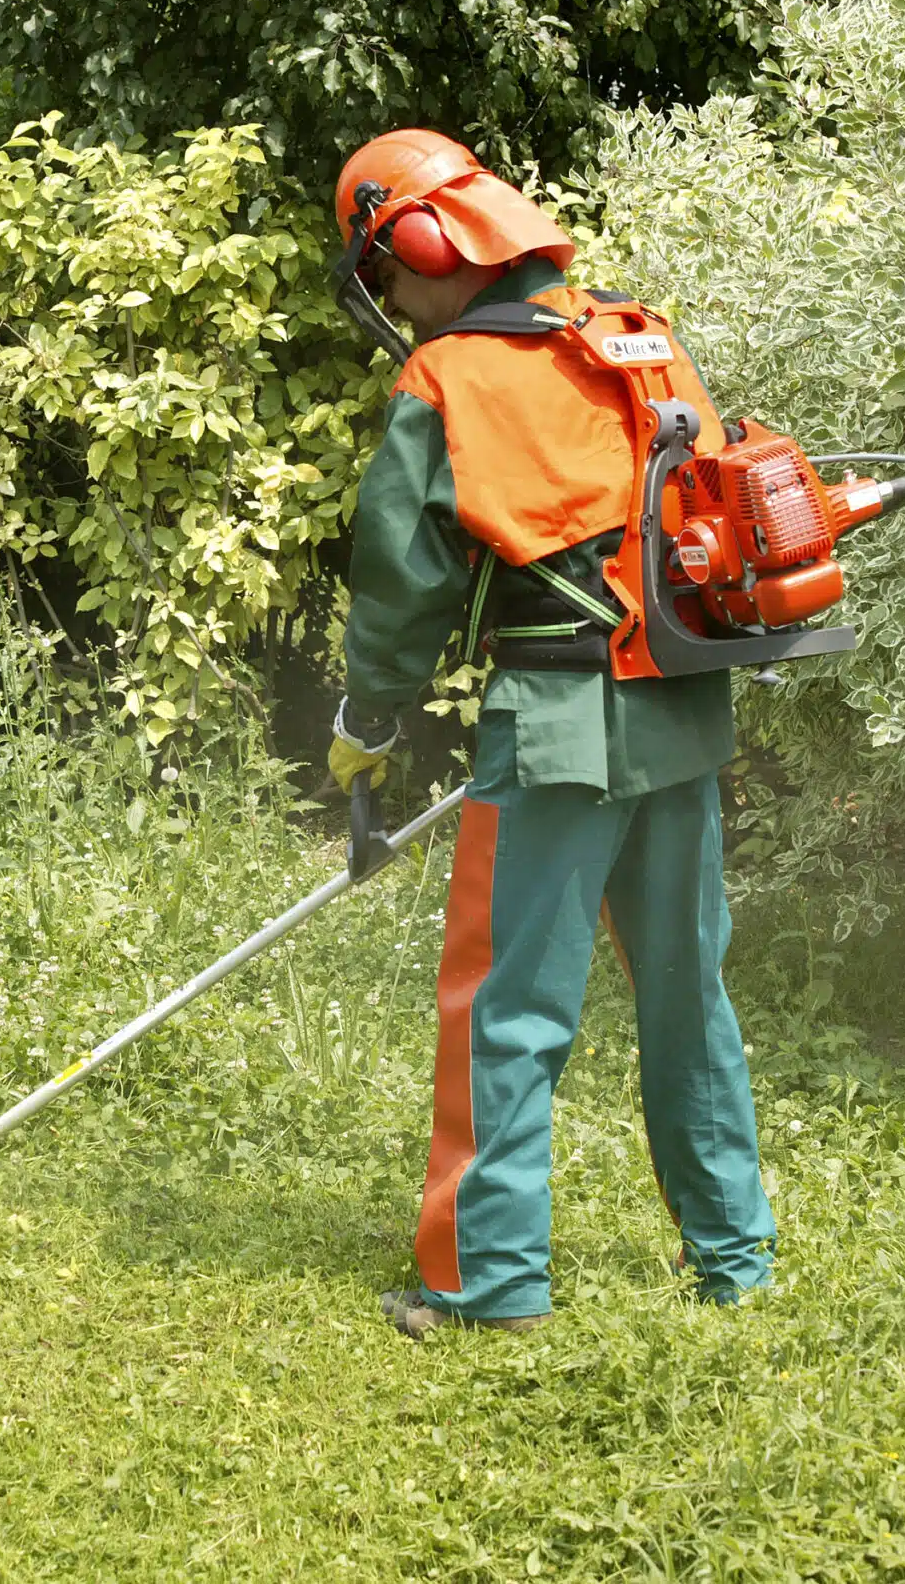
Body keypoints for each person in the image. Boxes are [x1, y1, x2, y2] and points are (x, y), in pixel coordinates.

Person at [322, 129, 775, 1336]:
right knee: (688, 996)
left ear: (421, 244)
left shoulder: (448, 381)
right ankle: (734, 1257)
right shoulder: (637, 336)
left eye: (388, 272)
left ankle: (491, 1280)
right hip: (681, 712)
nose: (396, 302)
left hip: (558, 730)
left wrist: (367, 720)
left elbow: (402, 582)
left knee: (507, 1008)